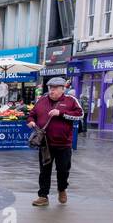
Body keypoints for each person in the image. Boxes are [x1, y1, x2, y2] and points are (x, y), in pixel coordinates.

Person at [28, 75, 83, 207]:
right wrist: (30, 121)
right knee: (44, 170)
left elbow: (80, 115)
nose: (51, 91)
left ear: (63, 89)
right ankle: (43, 196)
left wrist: (61, 113)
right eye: (50, 88)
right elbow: (32, 114)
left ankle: (62, 189)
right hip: (45, 143)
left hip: (63, 143)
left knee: (63, 170)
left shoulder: (71, 100)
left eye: (55, 88)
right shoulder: (41, 100)